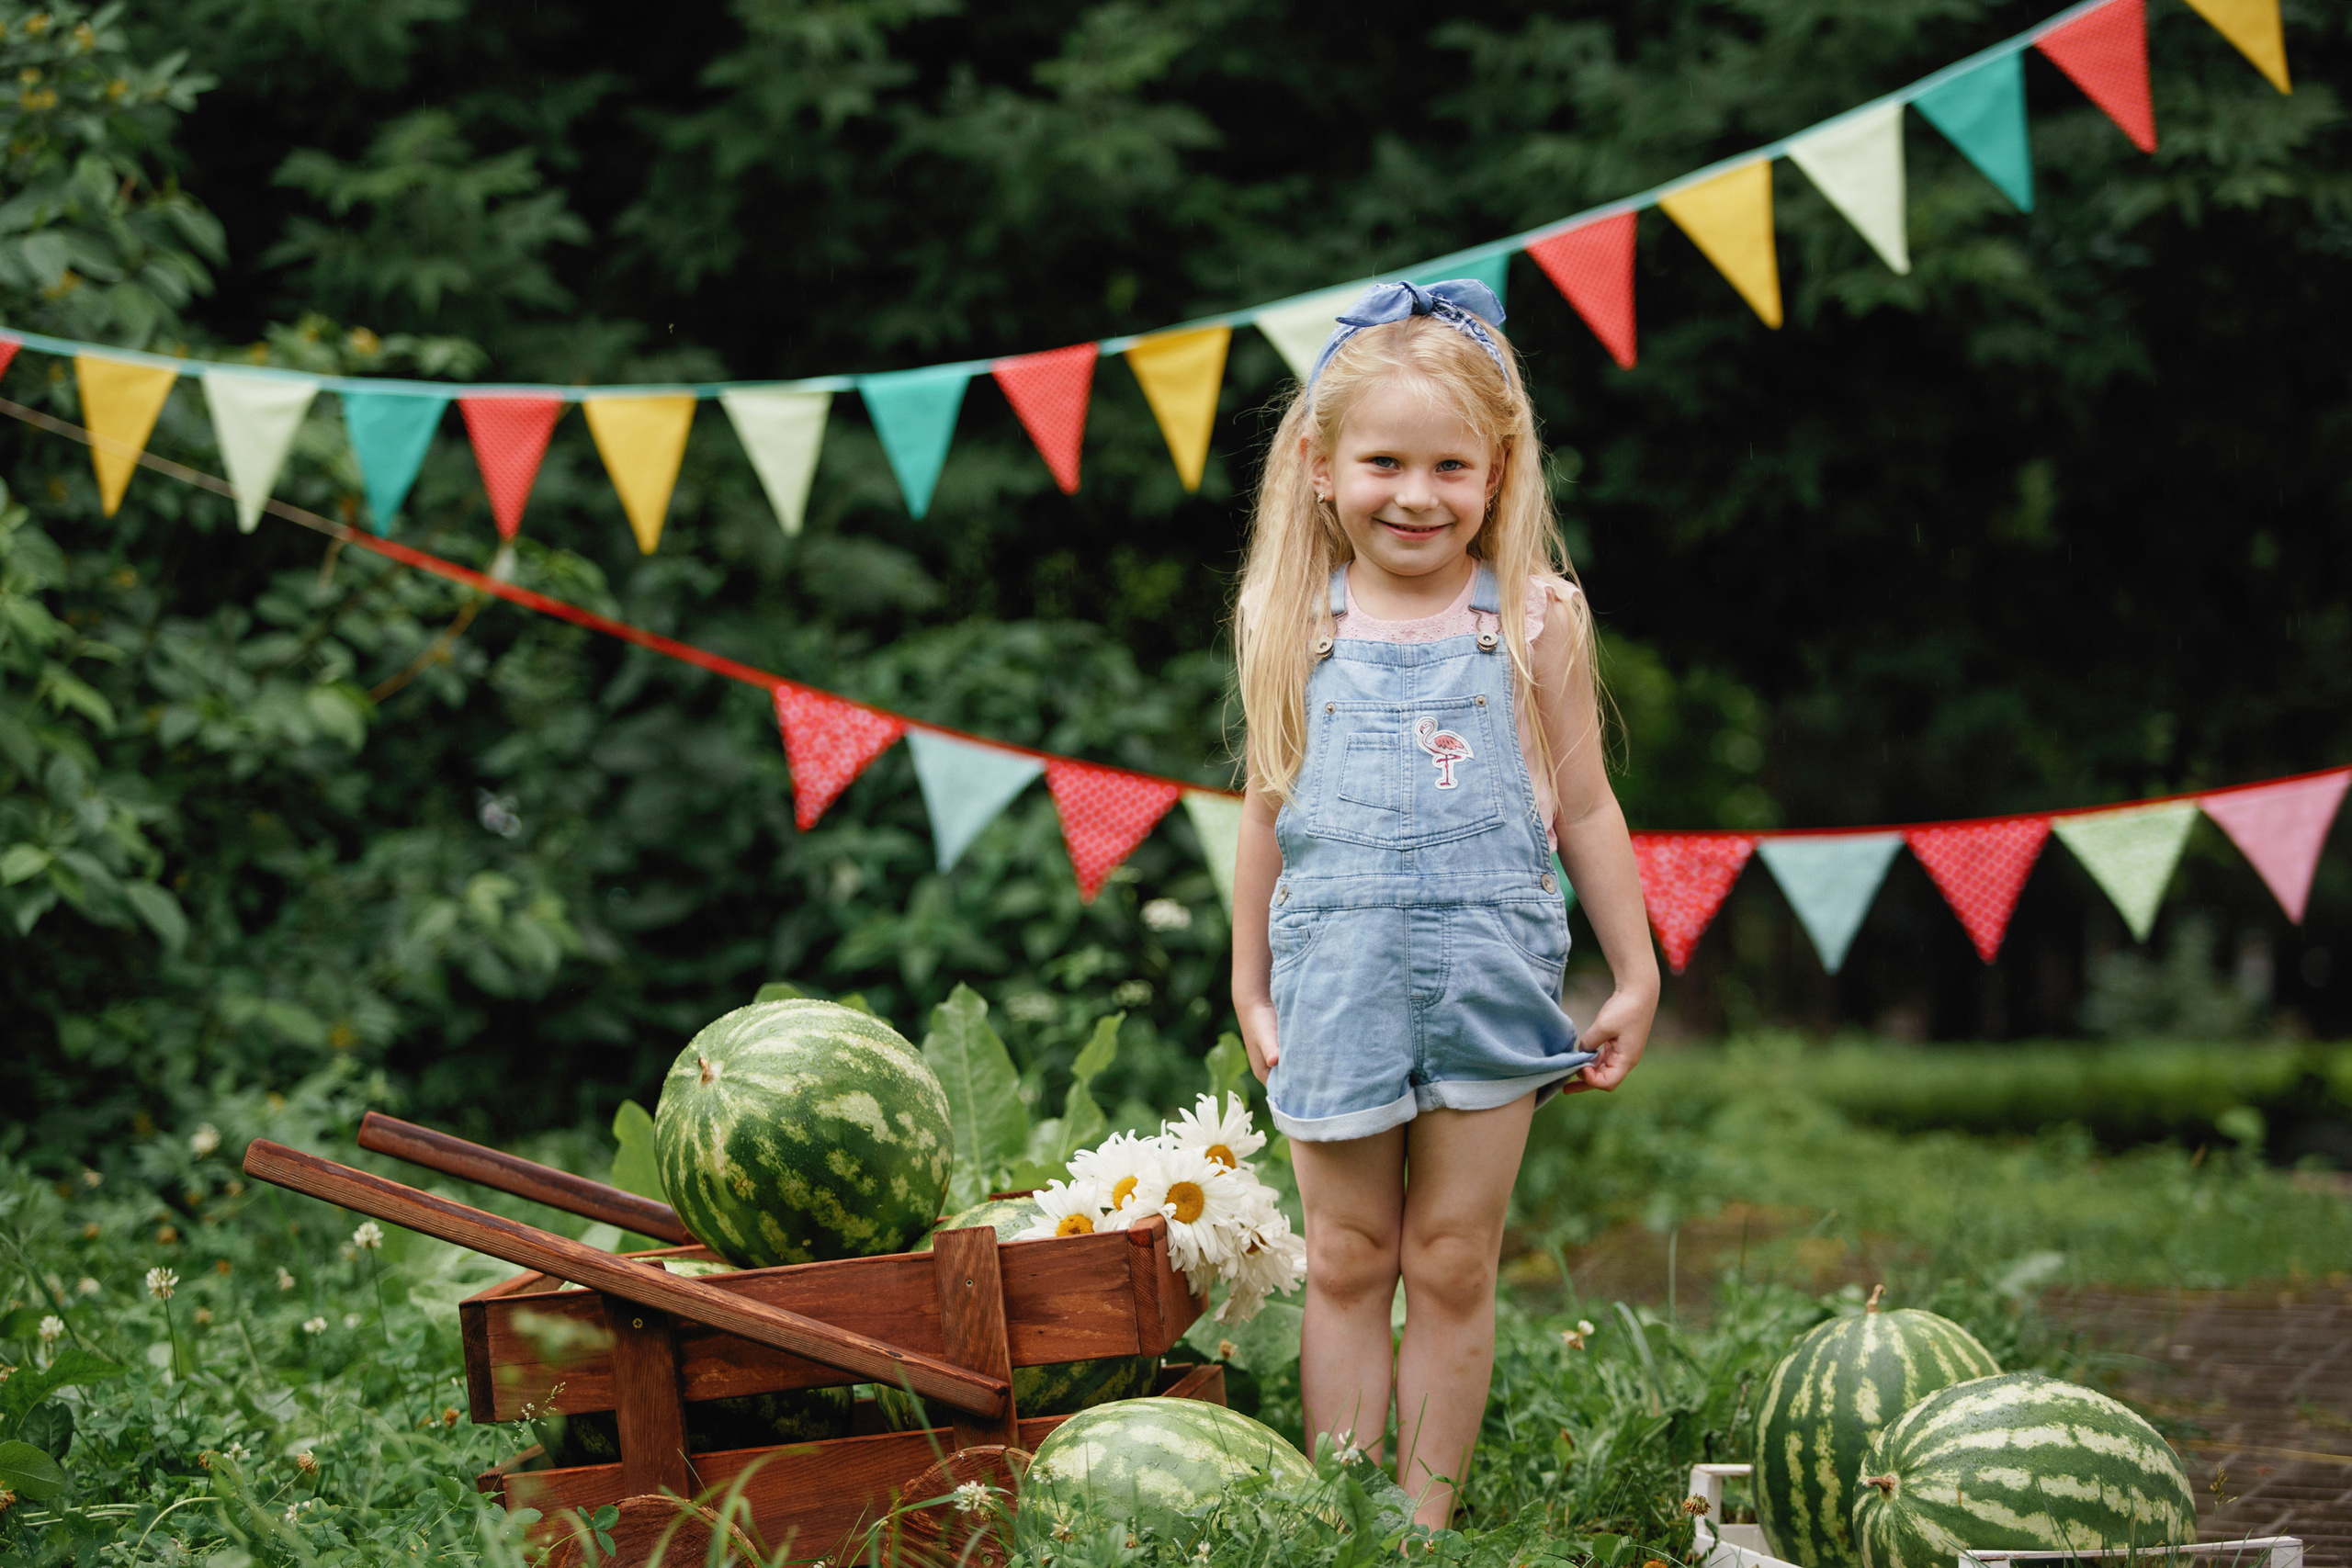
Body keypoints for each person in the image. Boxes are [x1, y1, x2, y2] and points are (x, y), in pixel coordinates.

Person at [1228, 278, 1659, 1528]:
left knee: (1453, 1259)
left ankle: (1421, 1533)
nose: (1416, 495)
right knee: (1348, 1255)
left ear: (1496, 472)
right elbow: (1265, 808)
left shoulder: (1534, 621)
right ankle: (1345, 1520)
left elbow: (1587, 809)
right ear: (1320, 467)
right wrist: (1249, 984)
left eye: (1449, 467)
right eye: (1384, 463)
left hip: (1488, 979)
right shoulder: (1285, 619)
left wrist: (1634, 973)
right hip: (1335, 981)